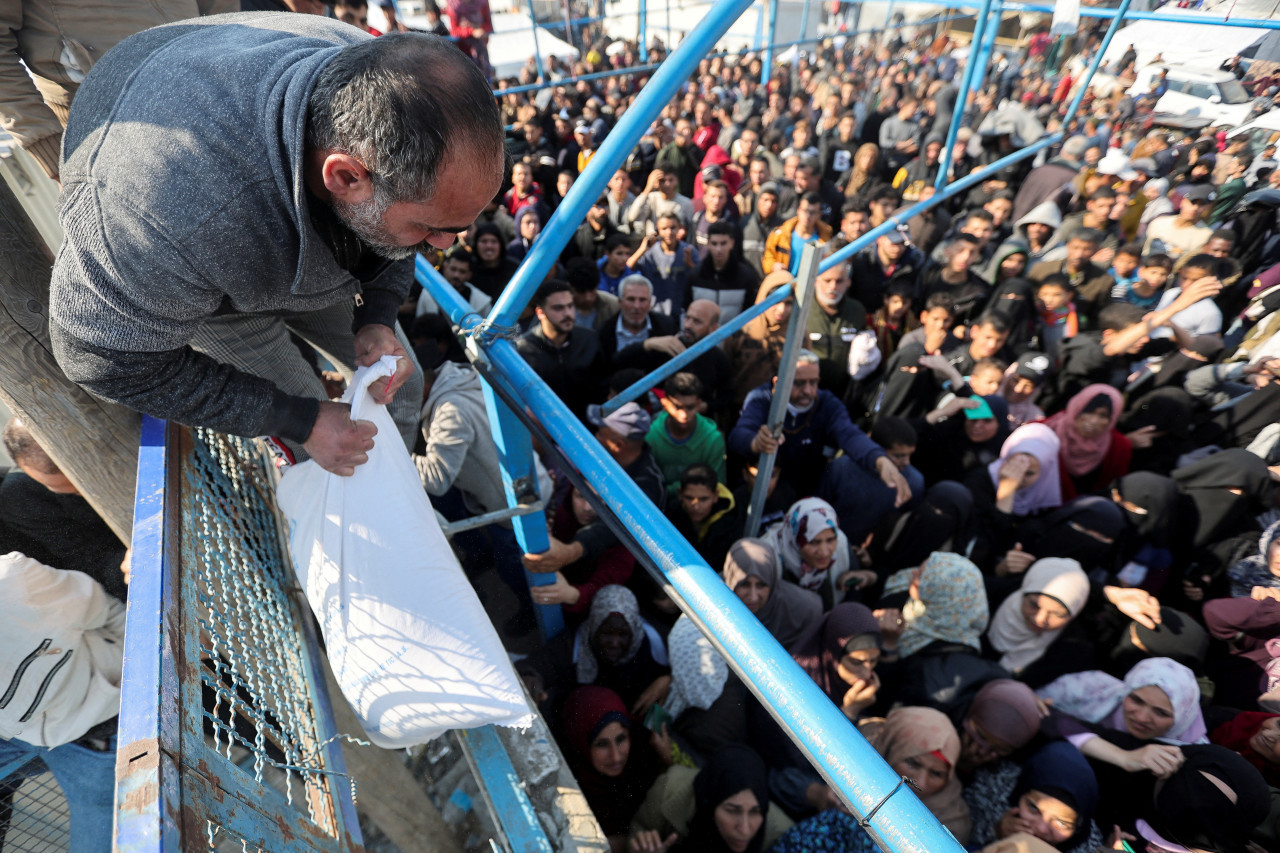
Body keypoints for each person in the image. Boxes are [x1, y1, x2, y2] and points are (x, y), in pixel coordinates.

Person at [52, 21, 508, 473]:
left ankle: (390, 490)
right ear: (346, 176)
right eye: (431, 228)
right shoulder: (161, 216)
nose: (445, 246)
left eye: (459, 227)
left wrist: (378, 317)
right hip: (205, 276)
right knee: (323, 447)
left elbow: (401, 222)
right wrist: (299, 419)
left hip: (284, 226)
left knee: (400, 388)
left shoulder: (388, 80)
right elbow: (99, 360)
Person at [769, 706, 970, 847]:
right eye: (912, 763)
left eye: (936, 774)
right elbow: (777, 779)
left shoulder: (952, 821)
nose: (921, 782)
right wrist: (818, 794)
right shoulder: (858, 755)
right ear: (890, 749)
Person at [729, 350, 910, 501]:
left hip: (811, 489)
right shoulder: (761, 398)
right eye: (799, 383)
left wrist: (880, 460)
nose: (808, 391)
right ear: (778, 383)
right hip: (767, 492)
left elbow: (849, 434)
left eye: (813, 382)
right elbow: (739, 434)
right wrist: (756, 443)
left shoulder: (826, 403)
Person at [628, 744, 789, 853]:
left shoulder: (782, 833)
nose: (745, 830)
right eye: (732, 810)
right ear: (710, 800)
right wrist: (642, 845)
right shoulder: (670, 789)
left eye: (756, 811)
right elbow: (639, 827)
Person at [559, 685, 664, 845]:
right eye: (601, 744)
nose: (615, 757)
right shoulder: (566, 790)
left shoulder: (642, 759)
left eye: (621, 739)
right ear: (581, 745)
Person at [964, 741, 1102, 853]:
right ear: (1021, 792)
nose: (1041, 829)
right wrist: (996, 831)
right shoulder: (993, 789)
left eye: (1062, 823)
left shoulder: (1090, 847)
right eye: (1033, 808)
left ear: (1078, 827)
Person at [515, 279, 607, 421]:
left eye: (570, 306)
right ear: (540, 312)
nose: (567, 313)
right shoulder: (525, 348)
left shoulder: (589, 339)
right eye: (558, 308)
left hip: (588, 428)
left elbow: (603, 386)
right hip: (545, 431)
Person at [984, 558, 1091, 680]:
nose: (1040, 619)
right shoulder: (985, 599)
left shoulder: (1073, 652)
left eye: (1057, 614)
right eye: (1034, 605)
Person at [720, 538, 821, 650]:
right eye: (744, 585)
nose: (753, 597)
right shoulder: (708, 599)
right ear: (731, 581)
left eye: (761, 585)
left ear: (772, 581)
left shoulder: (803, 610)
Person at [1042, 384, 1132, 500]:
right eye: (1089, 412)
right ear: (1077, 408)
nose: (1093, 421)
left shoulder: (1119, 448)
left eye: (1103, 416)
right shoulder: (1044, 430)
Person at [645, 373, 726, 497]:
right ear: (664, 403)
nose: (684, 415)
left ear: (699, 404)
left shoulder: (713, 440)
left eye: (690, 407)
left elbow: (717, 486)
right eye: (677, 407)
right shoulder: (650, 436)